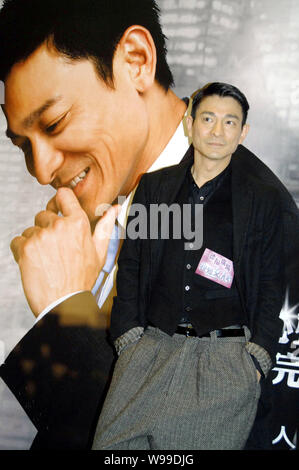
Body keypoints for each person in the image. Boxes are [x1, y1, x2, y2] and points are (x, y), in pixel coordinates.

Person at [0, 0, 297, 450]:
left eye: (55, 122)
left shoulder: (254, 216)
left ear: (136, 61)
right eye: (23, 143)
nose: (41, 170)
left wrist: (64, 317)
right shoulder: (120, 214)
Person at [91, 82, 289, 450]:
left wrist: (257, 357)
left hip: (223, 363)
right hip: (149, 350)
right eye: (209, 118)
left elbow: (270, 283)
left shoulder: (262, 200)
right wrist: (127, 336)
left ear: (243, 132)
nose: (218, 131)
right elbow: (131, 263)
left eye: (230, 122)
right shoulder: (154, 188)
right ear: (190, 122)